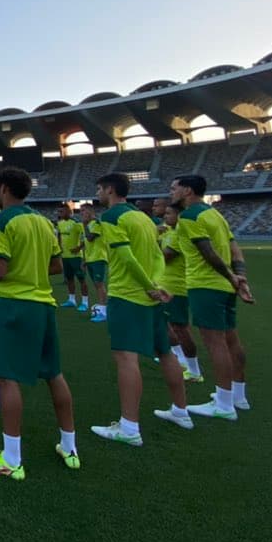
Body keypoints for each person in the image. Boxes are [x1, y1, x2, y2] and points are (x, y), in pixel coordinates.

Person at [0, 167, 78, 481]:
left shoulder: (2, 220)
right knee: (54, 375)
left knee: (7, 379)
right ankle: (70, 447)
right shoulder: (44, 222)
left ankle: (11, 459)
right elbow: (56, 264)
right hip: (43, 304)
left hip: (15, 305)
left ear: (4, 188)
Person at [90, 173, 192, 446]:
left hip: (129, 294)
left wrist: (148, 285)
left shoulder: (112, 217)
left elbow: (125, 256)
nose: (98, 194)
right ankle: (181, 411)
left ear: (110, 190)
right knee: (166, 351)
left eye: (100, 189)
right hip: (152, 295)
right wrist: (157, 285)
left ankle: (129, 427)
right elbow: (158, 254)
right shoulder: (143, 217)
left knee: (125, 357)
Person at [170, 175, 254, 420]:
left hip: (205, 285)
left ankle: (224, 403)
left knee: (215, 344)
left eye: (174, 188)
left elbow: (207, 252)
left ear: (187, 190)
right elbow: (234, 247)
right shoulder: (215, 214)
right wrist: (240, 277)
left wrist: (231, 276)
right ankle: (239, 396)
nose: (171, 192)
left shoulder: (189, 216)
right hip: (224, 287)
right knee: (231, 340)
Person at [161, 203, 204, 382]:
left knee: (180, 328)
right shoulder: (169, 232)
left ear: (179, 216)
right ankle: (181, 360)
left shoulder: (177, 233)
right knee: (170, 325)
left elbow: (166, 255)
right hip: (167, 286)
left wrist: (147, 247)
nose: (165, 216)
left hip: (176, 287)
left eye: (169, 213)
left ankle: (194, 371)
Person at [80, 204, 109, 323]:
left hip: (99, 258)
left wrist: (85, 224)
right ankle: (103, 309)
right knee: (97, 285)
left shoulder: (96, 223)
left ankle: (104, 311)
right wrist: (85, 260)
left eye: (84, 210)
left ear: (90, 211)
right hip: (91, 259)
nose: (81, 213)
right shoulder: (89, 225)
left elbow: (90, 238)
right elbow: (88, 245)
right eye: (81, 211)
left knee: (100, 284)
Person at [56, 205, 88, 310]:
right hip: (65, 256)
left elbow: (85, 237)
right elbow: (59, 236)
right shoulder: (60, 224)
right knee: (69, 279)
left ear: (69, 212)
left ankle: (85, 302)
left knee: (81, 279)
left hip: (75, 257)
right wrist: (59, 246)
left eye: (62, 211)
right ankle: (71, 300)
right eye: (59, 211)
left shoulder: (76, 224)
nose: (59, 213)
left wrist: (79, 247)